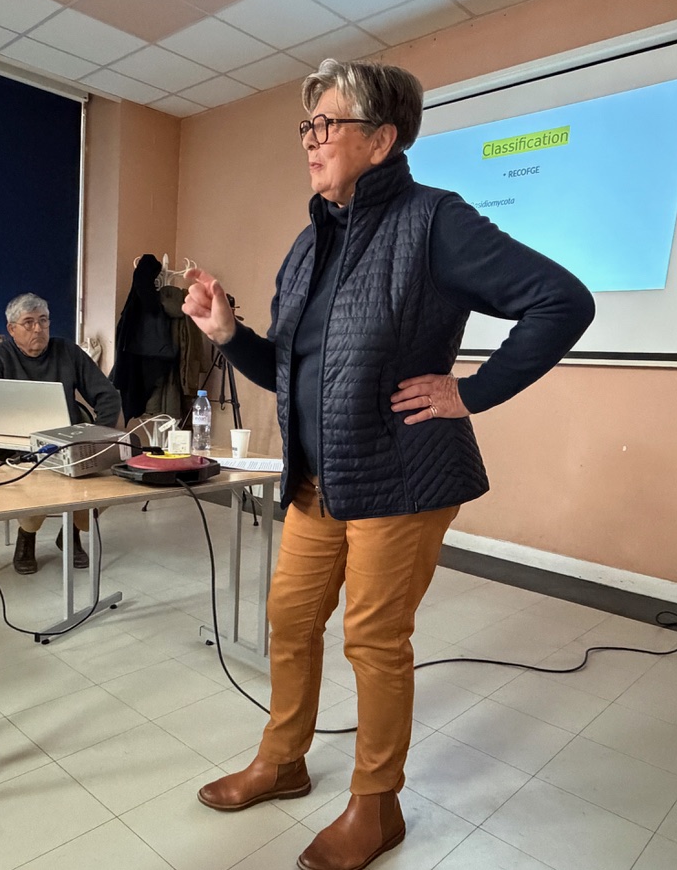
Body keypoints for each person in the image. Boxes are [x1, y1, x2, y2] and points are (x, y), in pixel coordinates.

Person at [181, 59, 595, 870]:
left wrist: (470, 392)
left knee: (373, 639)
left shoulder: (434, 220)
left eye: (327, 123)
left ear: (382, 139)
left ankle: (377, 806)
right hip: (318, 478)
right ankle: (283, 760)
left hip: (401, 477)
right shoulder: (309, 243)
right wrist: (227, 333)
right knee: (290, 619)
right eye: (307, 126)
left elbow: (563, 301)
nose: (311, 140)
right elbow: (290, 370)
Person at [0, 293, 121, 574]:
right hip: (16, 450)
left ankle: (72, 531)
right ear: (12, 329)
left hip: (66, 448)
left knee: (113, 479)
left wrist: (97, 436)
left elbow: (108, 396)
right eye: (29, 322)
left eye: (43, 321)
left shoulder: (67, 352)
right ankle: (26, 537)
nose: (38, 329)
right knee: (36, 477)